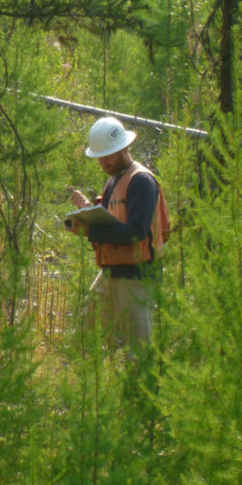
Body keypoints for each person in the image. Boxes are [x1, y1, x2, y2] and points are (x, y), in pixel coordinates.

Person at [65, 116, 170, 355]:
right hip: (111, 273)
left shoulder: (141, 180)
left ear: (124, 148)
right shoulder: (114, 181)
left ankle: (140, 392)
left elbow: (136, 232)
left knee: (139, 353)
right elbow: (116, 222)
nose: (104, 161)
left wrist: (91, 231)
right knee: (82, 336)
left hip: (138, 277)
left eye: (109, 154)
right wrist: (86, 212)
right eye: (100, 156)